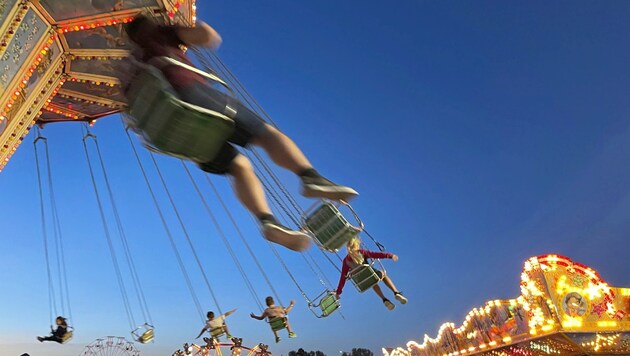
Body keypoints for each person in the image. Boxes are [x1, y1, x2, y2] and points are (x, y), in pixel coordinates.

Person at [123, 15, 358, 252]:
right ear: (148, 23)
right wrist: (189, 28)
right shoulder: (161, 33)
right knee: (265, 134)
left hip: (170, 132)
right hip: (190, 94)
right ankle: (309, 177)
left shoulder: (131, 64)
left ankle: (268, 222)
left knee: (240, 167)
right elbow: (208, 37)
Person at [335, 237, 407, 310]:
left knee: (372, 282)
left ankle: (384, 299)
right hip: (371, 275)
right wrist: (390, 256)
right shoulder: (361, 252)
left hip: (362, 283)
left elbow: (343, 278)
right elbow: (375, 254)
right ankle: (396, 292)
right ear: (356, 245)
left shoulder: (345, 261)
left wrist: (338, 292)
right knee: (382, 275)